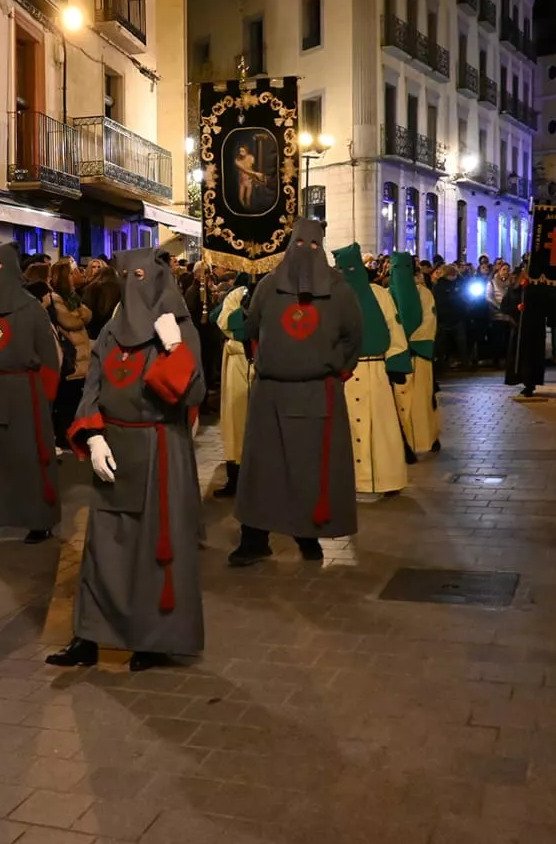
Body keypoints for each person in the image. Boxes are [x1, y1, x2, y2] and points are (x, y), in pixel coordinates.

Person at [52, 248, 205, 672]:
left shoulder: (181, 328)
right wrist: (94, 432)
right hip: (115, 449)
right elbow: (93, 386)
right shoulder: (111, 331)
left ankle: (153, 638)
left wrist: (174, 350)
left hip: (159, 449)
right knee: (104, 547)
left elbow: (190, 396)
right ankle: (90, 634)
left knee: (154, 548)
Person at [230, 219, 364, 566]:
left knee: (309, 470)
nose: (306, 252)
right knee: (263, 470)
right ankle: (255, 539)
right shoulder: (269, 287)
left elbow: (354, 337)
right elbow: (253, 328)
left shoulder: (339, 289)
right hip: (270, 395)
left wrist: (332, 370)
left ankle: (307, 534)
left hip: (317, 393)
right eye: (300, 245)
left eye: (314, 246)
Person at [0, 244, 61, 550]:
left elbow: (46, 357)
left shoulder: (13, 308)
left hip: (14, 391)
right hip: (2, 389)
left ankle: (36, 520)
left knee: (20, 459)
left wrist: (43, 399)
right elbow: (48, 357)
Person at [332, 245, 409, 498]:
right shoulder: (333, 295)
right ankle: (353, 483)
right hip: (345, 374)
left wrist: (396, 364)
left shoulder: (378, 295)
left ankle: (384, 479)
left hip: (374, 371)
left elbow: (393, 327)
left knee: (380, 431)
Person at [390, 254, 440, 452]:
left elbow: (430, 320)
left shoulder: (424, 294)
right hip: (398, 355)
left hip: (418, 356)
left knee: (421, 400)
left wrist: (414, 343)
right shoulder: (386, 294)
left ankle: (425, 438)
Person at [209, 272, 252, 498]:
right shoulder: (236, 294)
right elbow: (225, 323)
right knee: (236, 423)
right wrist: (247, 315)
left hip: (265, 362)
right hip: (237, 361)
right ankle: (235, 479)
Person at [44, 259, 93, 448]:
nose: (77, 276)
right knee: (66, 401)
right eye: (73, 273)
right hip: (70, 359)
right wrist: (79, 313)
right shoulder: (55, 299)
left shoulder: (71, 297)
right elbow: (72, 321)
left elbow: (87, 314)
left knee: (74, 400)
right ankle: (64, 437)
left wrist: (79, 311)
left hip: (79, 360)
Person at [502, 273, 546, 399]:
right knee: (519, 357)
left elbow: (543, 306)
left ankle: (530, 384)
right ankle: (519, 379)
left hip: (532, 330)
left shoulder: (537, 288)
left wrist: (529, 308)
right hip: (518, 328)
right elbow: (505, 306)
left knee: (530, 358)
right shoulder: (514, 289)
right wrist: (516, 308)